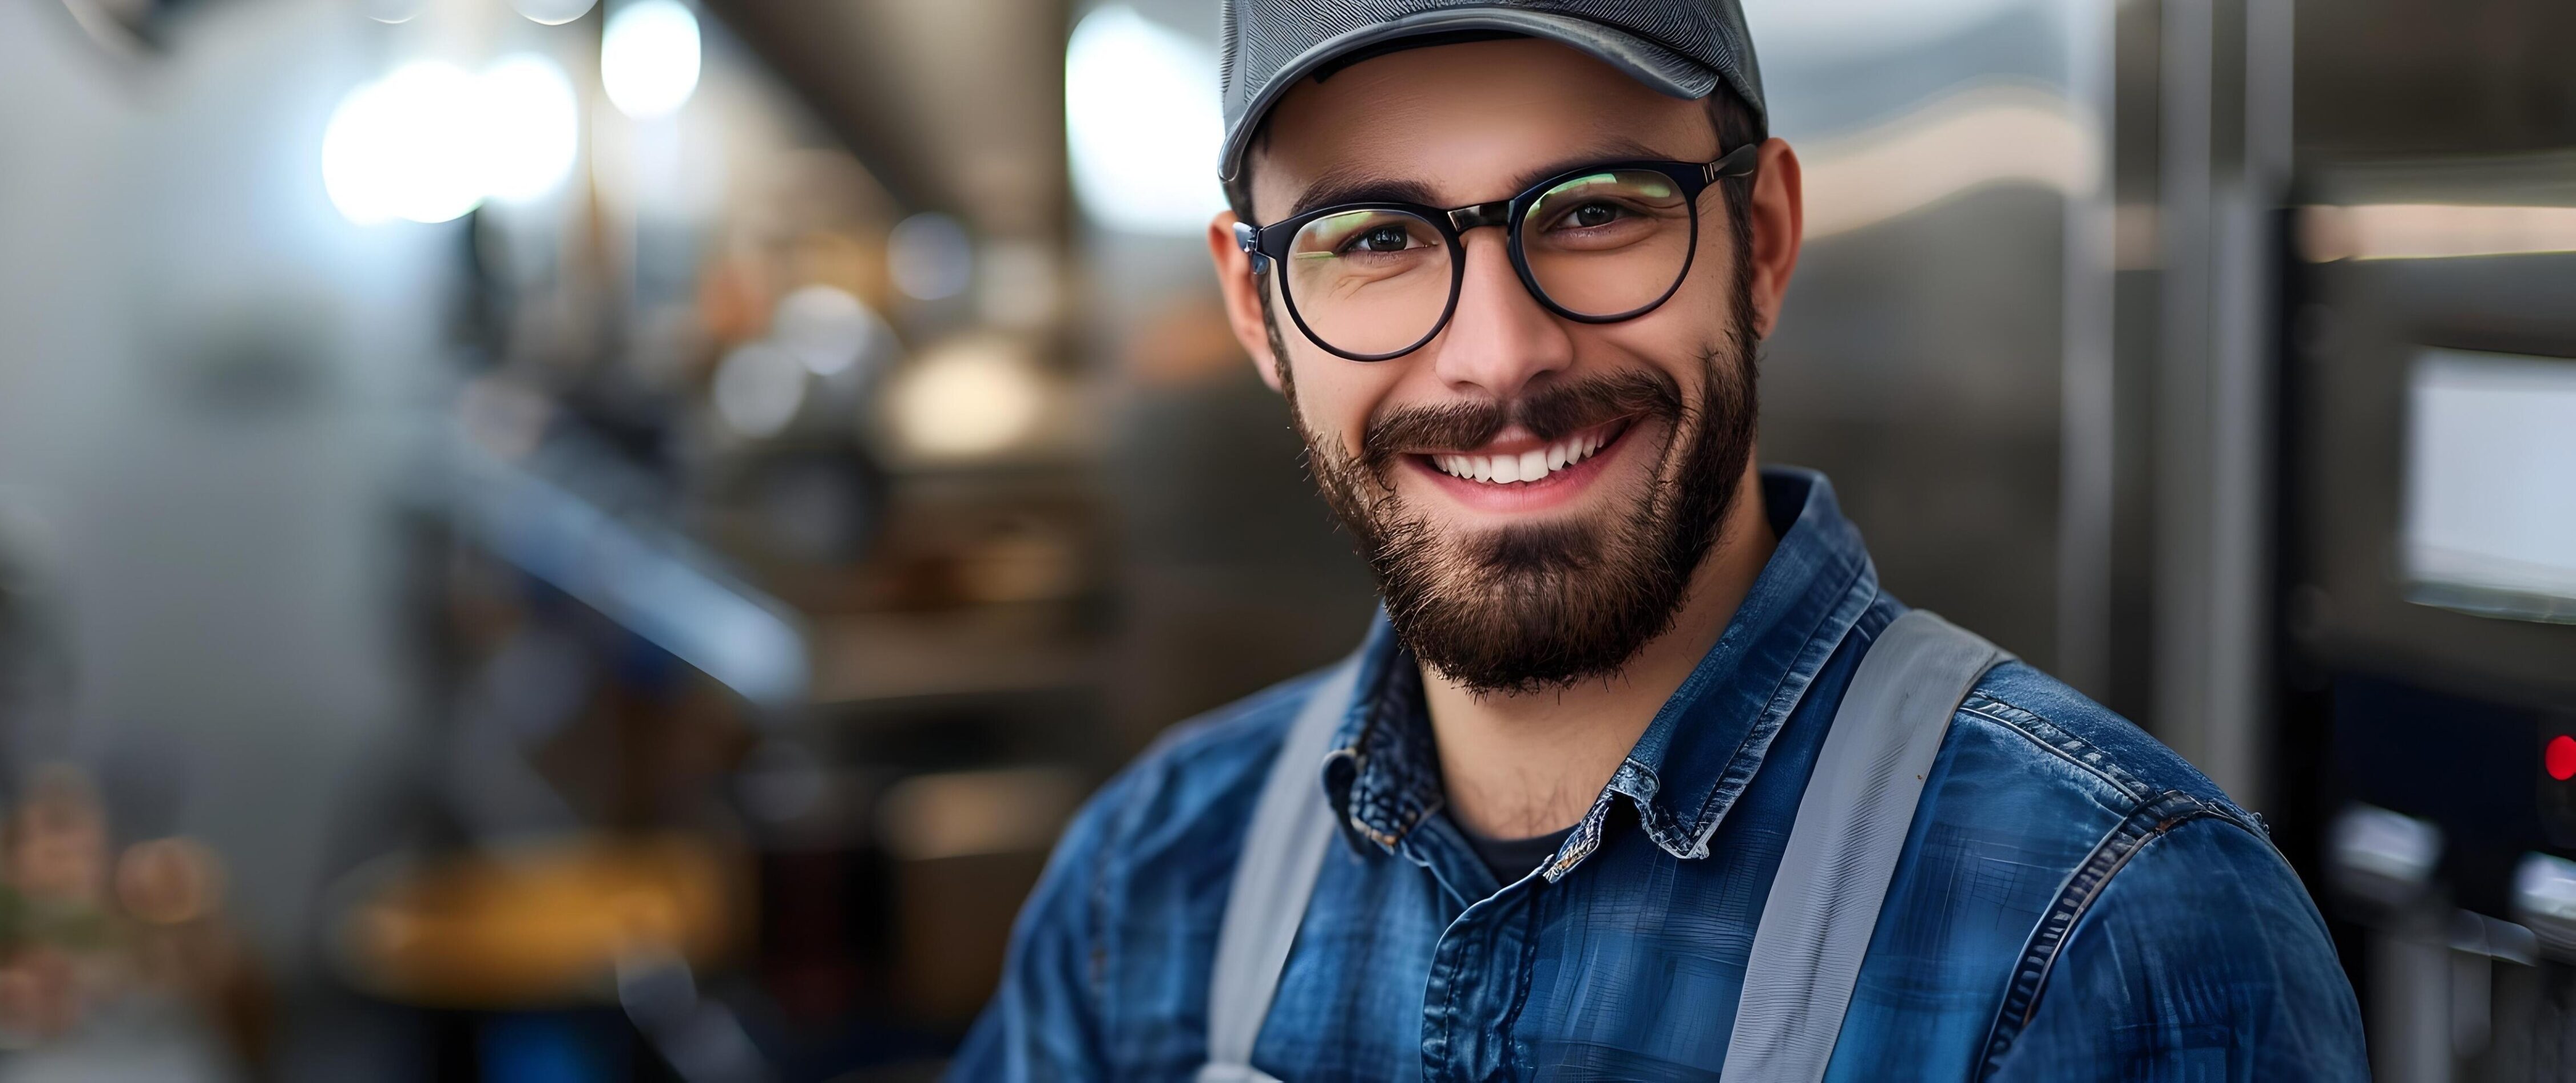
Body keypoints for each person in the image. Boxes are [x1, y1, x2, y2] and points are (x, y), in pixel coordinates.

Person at [953, 1, 2367, 1078]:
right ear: (1258, 313)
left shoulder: (2118, 934)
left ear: (1758, 237)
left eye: (1594, 212)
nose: (1497, 359)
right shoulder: (1143, 885)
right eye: (1373, 238)